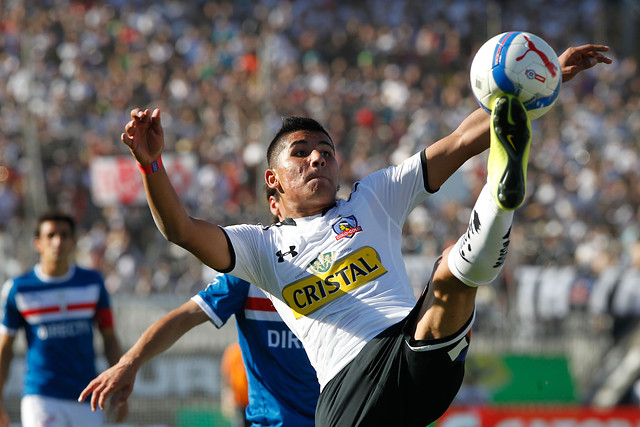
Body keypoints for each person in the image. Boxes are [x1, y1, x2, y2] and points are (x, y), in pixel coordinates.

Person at [82, 43, 611, 427]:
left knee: (451, 273)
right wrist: (152, 167)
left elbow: (461, 137)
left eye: (327, 151)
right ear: (273, 181)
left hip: (414, 352)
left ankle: (502, 190)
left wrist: (539, 80)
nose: (318, 156)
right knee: (453, 271)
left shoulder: (373, 197)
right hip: (349, 390)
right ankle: (500, 196)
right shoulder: (260, 249)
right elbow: (179, 229)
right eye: (301, 152)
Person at [80, 191, 319, 426]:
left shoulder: (345, 273)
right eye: (300, 199)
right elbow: (184, 316)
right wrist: (129, 362)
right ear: (274, 205)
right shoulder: (249, 271)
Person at [0, 210, 126, 427]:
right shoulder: (19, 289)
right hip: (41, 395)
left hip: (88, 394)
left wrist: (120, 388)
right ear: (37, 243)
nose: (58, 241)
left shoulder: (92, 283)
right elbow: (5, 348)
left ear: (74, 242)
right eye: (51, 235)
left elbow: (109, 338)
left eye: (64, 235)